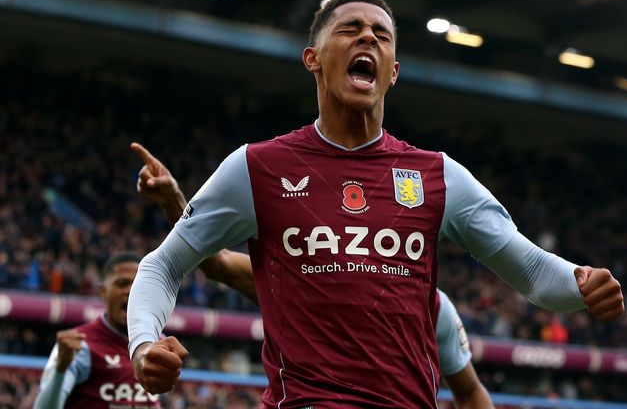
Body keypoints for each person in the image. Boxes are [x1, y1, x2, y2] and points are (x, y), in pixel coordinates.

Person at [127, 0, 624, 408]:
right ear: (313, 59)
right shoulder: (257, 168)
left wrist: (579, 283)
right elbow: (163, 266)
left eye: (381, 35)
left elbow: (534, 273)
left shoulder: (439, 175)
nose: (367, 36)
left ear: (392, 72)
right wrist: (144, 346)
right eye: (350, 29)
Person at [131, 142, 495, 408]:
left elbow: (469, 391)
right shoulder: (299, 278)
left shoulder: (434, 310)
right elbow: (216, 263)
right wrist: (174, 202)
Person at [34, 253, 161, 409]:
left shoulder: (158, 342)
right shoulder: (80, 345)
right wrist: (60, 369)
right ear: (103, 291)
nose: (130, 291)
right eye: (122, 283)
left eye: (137, 285)